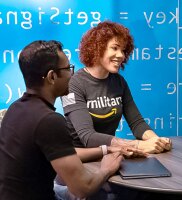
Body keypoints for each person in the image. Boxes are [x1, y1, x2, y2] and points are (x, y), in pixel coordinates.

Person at [0, 40, 124, 200]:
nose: (72, 74)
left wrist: (106, 150)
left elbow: (64, 153)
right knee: (110, 195)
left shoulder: (15, 109)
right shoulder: (49, 121)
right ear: (52, 76)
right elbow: (83, 188)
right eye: (68, 69)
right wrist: (106, 169)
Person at [61, 21, 171, 153]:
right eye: (115, 48)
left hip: (111, 154)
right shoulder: (74, 84)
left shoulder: (119, 82)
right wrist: (138, 145)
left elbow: (137, 123)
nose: (121, 55)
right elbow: (88, 137)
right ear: (97, 48)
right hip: (80, 159)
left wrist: (156, 141)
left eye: (123, 50)